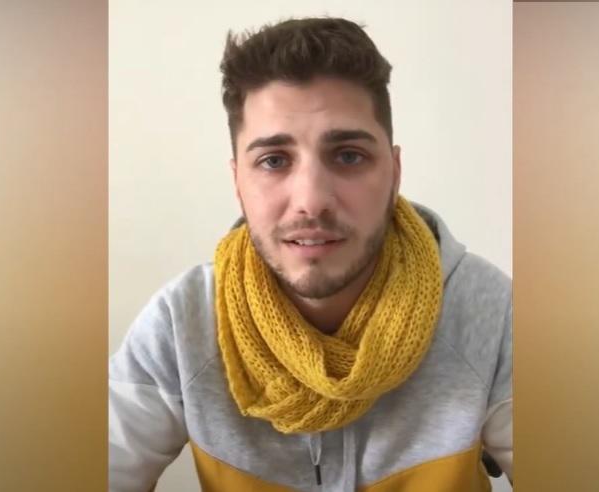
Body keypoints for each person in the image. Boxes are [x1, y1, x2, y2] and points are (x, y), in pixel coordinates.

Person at [109, 17, 512, 492]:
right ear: (238, 181)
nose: (312, 200)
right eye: (273, 161)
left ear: (394, 172)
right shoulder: (183, 323)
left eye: (348, 156)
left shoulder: (489, 312)